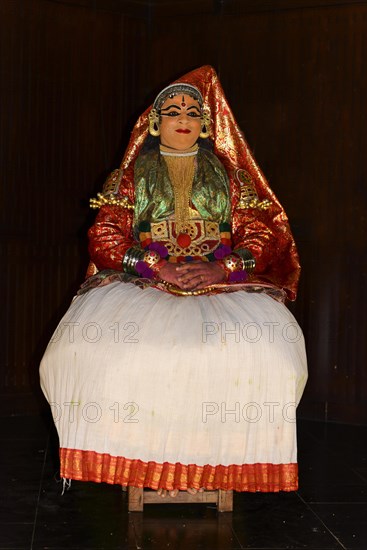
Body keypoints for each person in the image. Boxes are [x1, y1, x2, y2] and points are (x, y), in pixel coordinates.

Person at [40, 65, 307, 498]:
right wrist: (153, 266)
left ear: (205, 125)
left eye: (192, 111)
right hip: (145, 282)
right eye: (172, 110)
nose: (183, 117)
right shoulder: (132, 176)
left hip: (219, 281)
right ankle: (134, 457)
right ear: (155, 122)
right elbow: (103, 236)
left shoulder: (230, 175)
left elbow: (264, 233)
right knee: (82, 349)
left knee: (270, 352)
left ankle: (223, 461)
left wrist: (223, 268)